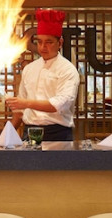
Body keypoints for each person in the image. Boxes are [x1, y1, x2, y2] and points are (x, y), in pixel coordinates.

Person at [6, 9, 80, 141]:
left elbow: (59, 104)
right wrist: (6, 136)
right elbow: (20, 111)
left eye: (48, 42)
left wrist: (26, 103)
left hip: (57, 134)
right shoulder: (29, 69)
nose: (42, 47)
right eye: (39, 42)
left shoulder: (68, 70)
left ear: (60, 43)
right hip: (29, 133)